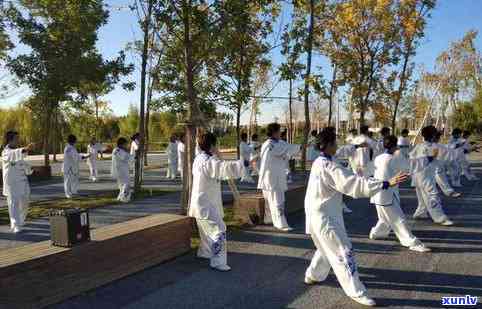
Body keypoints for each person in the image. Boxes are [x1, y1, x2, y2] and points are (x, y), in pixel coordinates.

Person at [304, 128, 408, 307]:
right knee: (344, 251)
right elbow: (351, 184)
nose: (337, 145)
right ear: (328, 145)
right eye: (334, 142)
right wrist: (386, 183)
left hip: (319, 214)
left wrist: (358, 174)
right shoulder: (327, 165)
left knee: (325, 248)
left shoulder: (323, 161)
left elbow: (347, 178)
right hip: (324, 217)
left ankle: (313, 275)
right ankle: (356, 291)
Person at [189, 132, 244, 271]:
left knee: (206, 231)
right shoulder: (209, 161)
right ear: (213, 145)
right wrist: (243, 164)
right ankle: (218, 261)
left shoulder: (199, 159)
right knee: (219, 229)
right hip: (205, 203)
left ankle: (205, 252)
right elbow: (223, 168)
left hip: (200, 202)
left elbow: (219, 166)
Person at [369, 135, 430, 252]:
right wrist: (428, 159)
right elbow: (411, 166)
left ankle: (377, 233)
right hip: (387, 195)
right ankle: (412, 242)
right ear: (395, 146)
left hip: (377, 193)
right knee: (399, 219)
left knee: (384, 218)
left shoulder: (378, 158)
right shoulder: (394, 158)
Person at [258, 123, 300, 231]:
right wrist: (299, 147)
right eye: (278, 131)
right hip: (271, 177)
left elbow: (287, 148)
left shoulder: (277, 143)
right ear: (274, 132)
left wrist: (299, 147)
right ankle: (280, 224)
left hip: (274, 176)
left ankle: (269, 219)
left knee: (270, 200)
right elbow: (285, 149)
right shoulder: (270, 144)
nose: (280, 133)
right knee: (277, 200)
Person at [410, 126, 453, 226]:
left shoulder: (418, 146)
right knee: (433, 195)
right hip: (426, 176)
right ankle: (440, 218)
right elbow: (448, 156)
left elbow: (411, 159)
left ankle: (420, 212)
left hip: (416, 176)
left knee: (421, 196)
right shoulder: (435, 147)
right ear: (433, 135)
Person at [2, 131, 34, 233]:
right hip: (12, 183)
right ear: (10, 140)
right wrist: (26, 149)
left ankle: (21, 220)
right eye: (16, 138)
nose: (18, 140)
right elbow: (14, 155)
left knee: (25, 202)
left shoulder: (17, 151)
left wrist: (30, 169)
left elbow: (22, 161)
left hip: (23, 182)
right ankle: (15, 224)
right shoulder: (6, 152)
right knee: (13, 203)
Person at [433, 131, 461, 198]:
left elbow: (450, 147)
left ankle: (449, 191)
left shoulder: (440, 145)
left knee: (440, 176)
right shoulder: (429, 145)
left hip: (437, 165)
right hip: (432, 166)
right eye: (437, 137)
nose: (438, 139)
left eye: (438, 137)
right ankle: (449, 192)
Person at [62, 135, 87, 199]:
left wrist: (82, 156)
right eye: (75, 140)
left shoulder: (71, 147)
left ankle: (72, 192)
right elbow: (76, 157)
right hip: (68, 168)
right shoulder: (69, 148)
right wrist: (84, 157)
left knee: (72, 180)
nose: (76, 142)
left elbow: (76, 155)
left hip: (71, 167)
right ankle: (68, 194)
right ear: (73, 141)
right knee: (67, 181)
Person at [111, 137, 133, 203]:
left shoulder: (116, 150)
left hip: (119, 170)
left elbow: (126, 157)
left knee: (121, 185)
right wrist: (133, 156)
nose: (126, 145)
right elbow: (126, 158)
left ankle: (120, 198)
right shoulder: (119, 151)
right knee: (126, 184)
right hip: (122, 170)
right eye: (125, 144)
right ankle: (124, 198)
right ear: (121, 144)